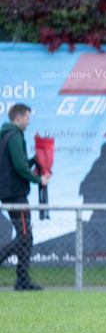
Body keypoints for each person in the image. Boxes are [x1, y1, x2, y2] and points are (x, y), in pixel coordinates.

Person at [0, 103, 48, 291]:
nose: (29, 122)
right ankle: (21, 280)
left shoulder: (6, 135)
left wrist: (34, 161)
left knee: (26, 237)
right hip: (16, 195)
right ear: (18, 118)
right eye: (27, 118)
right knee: (25, 236)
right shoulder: (15, 136)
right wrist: (39, 179)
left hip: (10, 194)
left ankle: (22, 280)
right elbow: (20, 168)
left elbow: (18, 165)